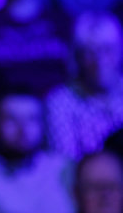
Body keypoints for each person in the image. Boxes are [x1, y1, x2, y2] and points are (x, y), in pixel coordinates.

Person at [46, 11, 123, 160]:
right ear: (78, 57)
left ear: (120, 51)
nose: (99, 61)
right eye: (90, 52)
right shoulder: (61, 102)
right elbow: (66, 162)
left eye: (107, 50)